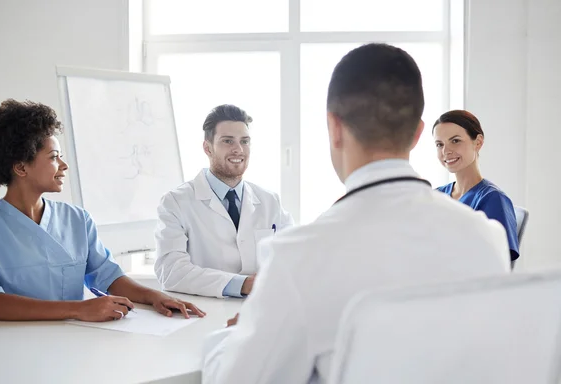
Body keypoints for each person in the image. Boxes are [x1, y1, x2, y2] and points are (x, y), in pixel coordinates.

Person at [201, 43, 510, 383]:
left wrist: (238, 334)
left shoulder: (298, 256)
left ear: (334, 128)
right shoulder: (486, 237)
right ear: (419, 134)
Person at [0, 99, 205, 321]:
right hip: (7, 347)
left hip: (76, 344)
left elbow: (108, 276)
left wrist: (154, 296)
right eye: (54, 157)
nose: (63, 165)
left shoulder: (76, 219)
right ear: (21, 168)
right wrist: (78, 309)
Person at [155, 104, 294, 298]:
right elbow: (171, 271)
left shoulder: (269, 201)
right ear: (207, 148)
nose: (238, 149)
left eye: (244, 141)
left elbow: (293, 253)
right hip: (205, 313)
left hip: (260, 309)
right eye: (228, 141)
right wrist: (241, 284)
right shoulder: (176, 202)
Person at [433, 110, 519, 263]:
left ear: (478, 142)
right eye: (440, 144)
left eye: (455, 141)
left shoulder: (493, 199)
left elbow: (500, 263)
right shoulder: (437, 195)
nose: (446, 151)